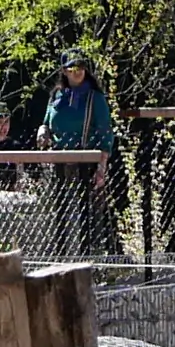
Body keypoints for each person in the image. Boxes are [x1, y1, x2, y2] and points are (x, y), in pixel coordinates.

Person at [37, 44, 118, 252]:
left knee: (86, 214)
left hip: (86, 159)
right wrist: (43, 131)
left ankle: (87, 258)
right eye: (72, 68)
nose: (78, 72)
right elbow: (47, 120)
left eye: (81, 67)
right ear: (64, 71)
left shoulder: (95, 98)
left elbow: (105, 132)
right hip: (60, 159)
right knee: (60, 210)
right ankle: (61, 253)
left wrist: (102, 166)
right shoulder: (56, 96)